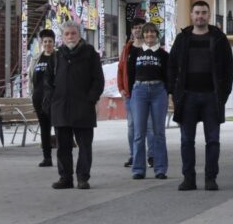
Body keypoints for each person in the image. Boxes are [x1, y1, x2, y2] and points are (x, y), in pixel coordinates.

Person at [169, 0, 233, 191]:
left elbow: (229, 69)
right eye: (197, 12)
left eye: (204, 12)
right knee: (186, 140)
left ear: (209, 15)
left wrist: (223, 93)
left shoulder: (219, 39)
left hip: (211, 97)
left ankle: (210, 178)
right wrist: (174, 91)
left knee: (212, 141)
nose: (200, 16)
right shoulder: (182, 39)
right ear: (191, 15)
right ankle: (188, 178)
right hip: (187, 97)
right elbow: (172, 66)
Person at [44, 20, 105, 190]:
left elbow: (98, 80)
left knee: (85, 146)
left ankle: (82, 178)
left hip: (83, 107)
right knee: (63, 147)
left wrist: (91, 99)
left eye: (73, 33)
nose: (70, 36)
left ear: (79, 35)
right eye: (67, 34)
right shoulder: (56, 56)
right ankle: (65, 178)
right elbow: (47, 81)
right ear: (62, 37)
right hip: (61, 107)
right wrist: (51, 100)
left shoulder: (90, 54)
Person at [126, 22, 170, 180]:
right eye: (146, 33)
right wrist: (131, 92)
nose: (149, 35)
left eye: (152, 33)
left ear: (157, 34)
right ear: (143, 35)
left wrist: (167, 92)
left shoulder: (164, 55)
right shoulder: (136, 53)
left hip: (159, 91)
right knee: (139, 133)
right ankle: (138, 169)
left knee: (159, 132)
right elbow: (130, 74)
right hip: (139, 92)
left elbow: (168, 76)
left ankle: (160, 169)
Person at [118, 17, 145, 167]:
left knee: (149, 126)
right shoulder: (126, 48)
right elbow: (120, 69)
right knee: (132, 126)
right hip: (130, 94)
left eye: (140, 27)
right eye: (135, 27)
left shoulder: (150, 46)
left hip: (147, 92)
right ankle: (133, 155)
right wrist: (121, 89)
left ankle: (151, 156)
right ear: (131, 30)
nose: (137, 30)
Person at [28, 29, 57, 167]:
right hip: (39, 99)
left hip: (55, 99)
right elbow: (31, 79)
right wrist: (31, 95)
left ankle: (63, 158)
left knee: (58, 128)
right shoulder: (36, 59)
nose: (47, 44)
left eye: (50, 41)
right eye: (45, 41)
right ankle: (47, 158)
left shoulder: (58, 58)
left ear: (54, 42)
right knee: (44, 129)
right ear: (41, 43)